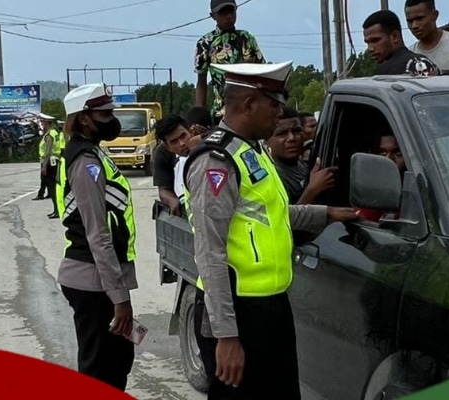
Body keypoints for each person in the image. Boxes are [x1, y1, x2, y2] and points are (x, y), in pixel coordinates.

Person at [183, 60, 358, 399]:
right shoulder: (216, 161)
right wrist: (226, 336)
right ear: (249, 105)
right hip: (238, 313)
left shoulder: (252, 150)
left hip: (271, 306)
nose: (280, 114)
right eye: (274, 105)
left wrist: (327, 214)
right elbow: (209, 252)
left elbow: (271, 215)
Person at [55, 83, 138, 391]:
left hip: (101, 277)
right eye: (104, 114)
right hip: (94, 282)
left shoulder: (92, 152)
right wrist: (120, 298)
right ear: (83, 118)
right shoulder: (85, 162)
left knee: (118, 360)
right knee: (102, 368)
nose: (111, 119)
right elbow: (98, 234)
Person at [195, 0, 266, 123]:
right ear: (213, 16)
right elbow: (201, 81)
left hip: (250, 110)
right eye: (223, 12)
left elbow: (263, 72)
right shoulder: (205, 43)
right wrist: (199, 117)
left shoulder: (247, 38)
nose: (228, 16)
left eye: (231, 11)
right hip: (223, 113)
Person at [267, 106, 336, 205]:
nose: (291, 138)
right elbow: (286, 214)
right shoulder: (272, 174)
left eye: (296, 131)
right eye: (282, 133)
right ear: (267, 140)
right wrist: (313, 189)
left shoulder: (301, 164)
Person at [363, 10, 440, 77]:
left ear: (395, 36)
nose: (370, 49)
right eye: (367, 43)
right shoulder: (426, 62)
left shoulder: (387, 73)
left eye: (375, 40)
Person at [356, 134, 406, 222]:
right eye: (383, 154)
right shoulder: (371, 199)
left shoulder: (418, 200)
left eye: (398, 154)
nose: (388, 159)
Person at [153, 114, 192, 215]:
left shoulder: (208, 146)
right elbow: (163, 190)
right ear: (167, 147)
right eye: (174, 142)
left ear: (191, 132)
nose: (182, 144)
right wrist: (171, 200)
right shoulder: (162, 153)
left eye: (183, 136)